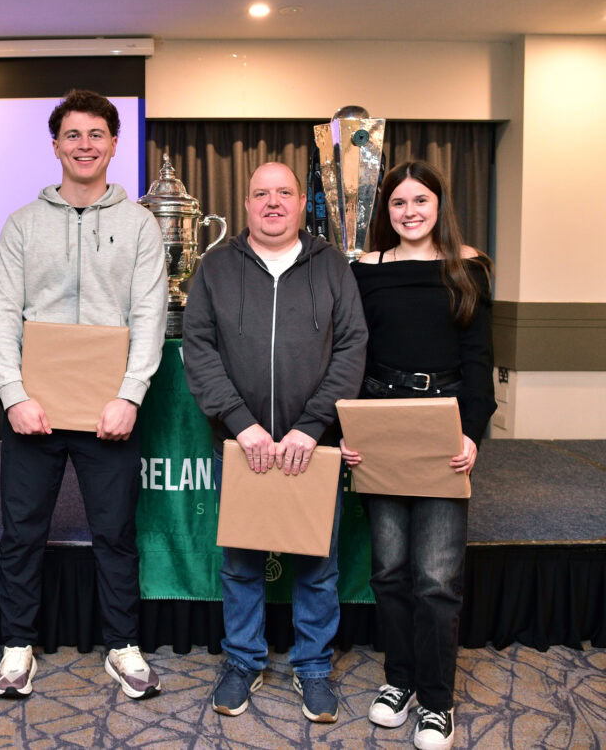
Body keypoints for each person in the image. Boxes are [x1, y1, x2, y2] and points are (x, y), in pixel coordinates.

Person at [0, 89, 168, 699]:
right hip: (32, 409)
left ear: (115, 144)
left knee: (115, 532)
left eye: (96, 134)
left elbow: (149, 316)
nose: (84, 145)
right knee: (21, 532)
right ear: (56, 145)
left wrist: (130, 396)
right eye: (73, 135)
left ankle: (123, 645)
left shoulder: (140, 224)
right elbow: (2, 315)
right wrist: (13, 395)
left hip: (108, 411)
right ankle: (17, 646)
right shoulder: (22, 224)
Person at [182, 161, 368, 721]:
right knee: (241, 562)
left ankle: (313, 668)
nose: (272, 203)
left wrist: (311, 428)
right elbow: (200, 348)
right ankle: (242, 660)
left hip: (311, 447)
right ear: (245, 204)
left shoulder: (333, 266)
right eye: (260, 193)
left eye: (283, 192)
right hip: (243, 447)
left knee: (317, 565)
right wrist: (241, 424)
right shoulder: (214, 267)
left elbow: (351, 349)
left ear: (299, 202)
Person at [340, 160, 495, 750]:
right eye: (398, 203)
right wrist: (347, 431)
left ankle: (436, 701)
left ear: (439, 206)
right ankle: (397, 683)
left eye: (420, 201)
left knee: (435, 578)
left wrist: (472, 434)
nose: (409, 212)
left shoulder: (468, 266)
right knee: (389, 571)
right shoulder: (364, 271)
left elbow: (480, 356)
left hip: (443, 422)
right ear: (387, 212)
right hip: (379, 420)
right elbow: (352, 356)